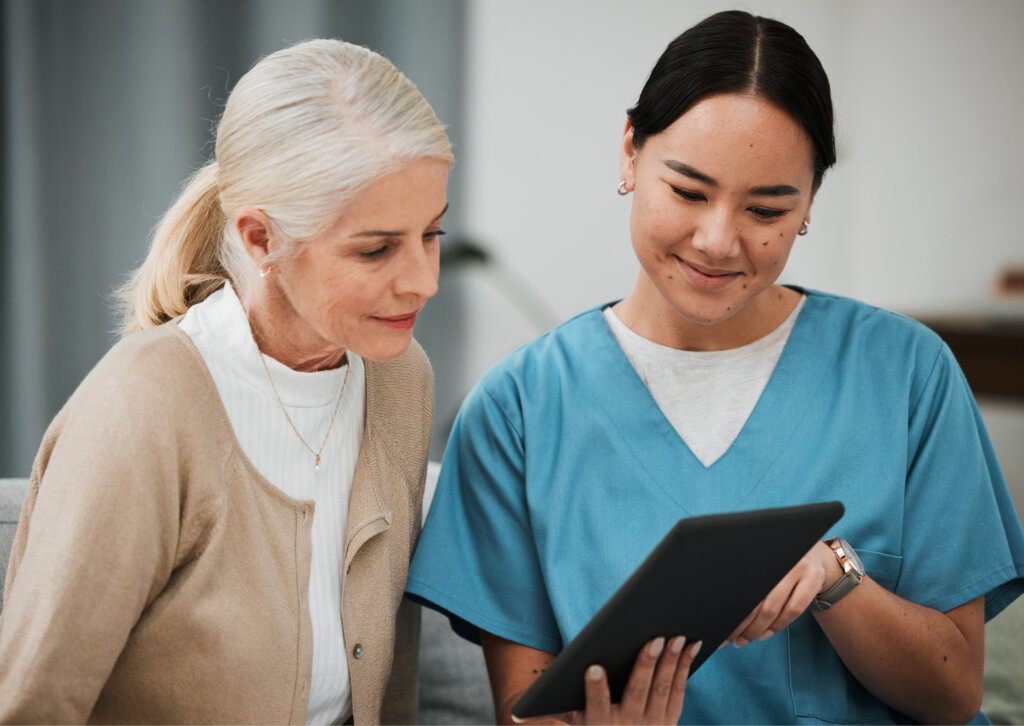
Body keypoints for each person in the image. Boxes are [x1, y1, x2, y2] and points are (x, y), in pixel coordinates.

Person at [405, 10, 1024, 725]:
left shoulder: (907, 375)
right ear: (630, 152)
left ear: (808, 206)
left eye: (766, 209)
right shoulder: (519, 410)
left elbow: (954, 696)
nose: (717, 241)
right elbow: (525, 709)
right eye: (689, 192)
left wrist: (834, 577)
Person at [0, 38, 451, 724]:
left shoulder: (397, 376)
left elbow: (390, 684)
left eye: (432, 234)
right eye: (376, 248)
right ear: (262, 239)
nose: (424, 279)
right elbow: (30, 706)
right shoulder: (144, 408)